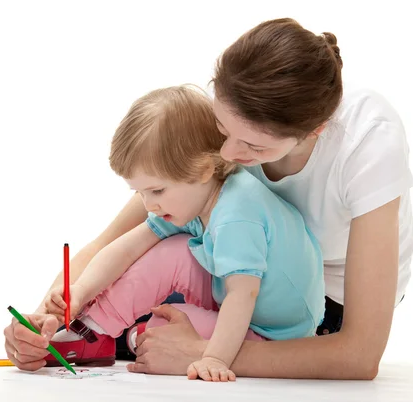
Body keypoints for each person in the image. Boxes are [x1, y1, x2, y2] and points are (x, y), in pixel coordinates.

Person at [3, 17, 413, 380]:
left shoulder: (368, 141)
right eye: (221, 128)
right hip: (225, 275)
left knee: (151, 332)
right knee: (142, 279)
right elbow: (118, 242)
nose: (225, 156)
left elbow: (360, 356)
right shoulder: (232, 120)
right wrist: (47, 319)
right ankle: (106, 337)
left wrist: (207, 355)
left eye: (253, 147)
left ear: (316, 130)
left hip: (316, 308)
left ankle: (131, 338)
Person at [35, 86, 324, 382]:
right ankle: (92, 331)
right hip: (237, 294)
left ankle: (134, 336)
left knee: (161, 328)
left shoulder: (236, 217)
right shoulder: (198, 195)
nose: (148, 204)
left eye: (157, 190)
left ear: (204, 170)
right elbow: (125, 249)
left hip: (273, 334)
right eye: (140, 192)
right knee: (170, 250)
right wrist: (79, 294)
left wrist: (212, 357)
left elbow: (243, 294)